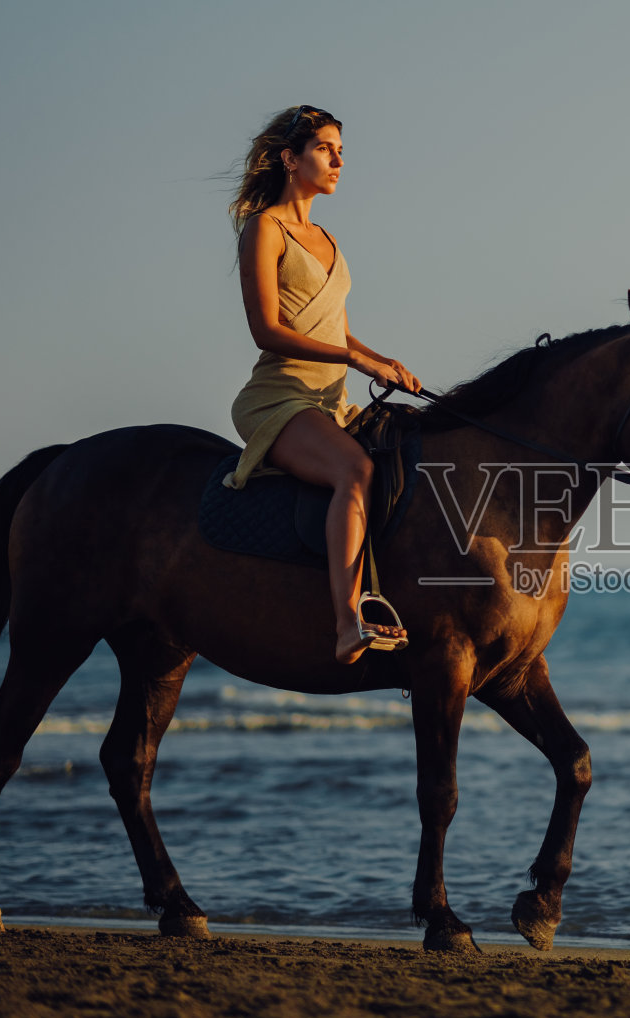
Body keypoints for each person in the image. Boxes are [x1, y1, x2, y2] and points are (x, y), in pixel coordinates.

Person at [226, 106, 422, 665]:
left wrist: (382, 359)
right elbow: (268, 330)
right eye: (325, 149)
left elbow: (336, 328)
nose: (338, 161)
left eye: (341, 152)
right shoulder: (265, 228)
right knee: (353, 470)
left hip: (331, 400)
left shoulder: (327, 237)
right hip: (279, 397)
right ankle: (347, 622)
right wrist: (357, 362)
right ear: (291, 158)